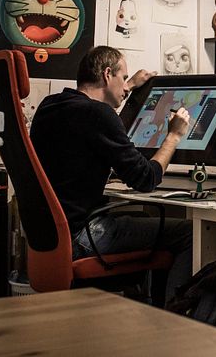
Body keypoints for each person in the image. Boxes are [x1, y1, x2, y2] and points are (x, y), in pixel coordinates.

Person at [30, 45, 192, 305]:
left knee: (143, 219)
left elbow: (89, 133)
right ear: (107, 75)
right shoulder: (98, 114)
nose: (125, 86)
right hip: (85, 236)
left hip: (51, 237)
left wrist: (128, 85)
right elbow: (146, 179)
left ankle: (146, 307)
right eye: (122, 76)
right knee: (188, 233)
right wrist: (174, 135)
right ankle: (178, 318)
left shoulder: (51, 106)